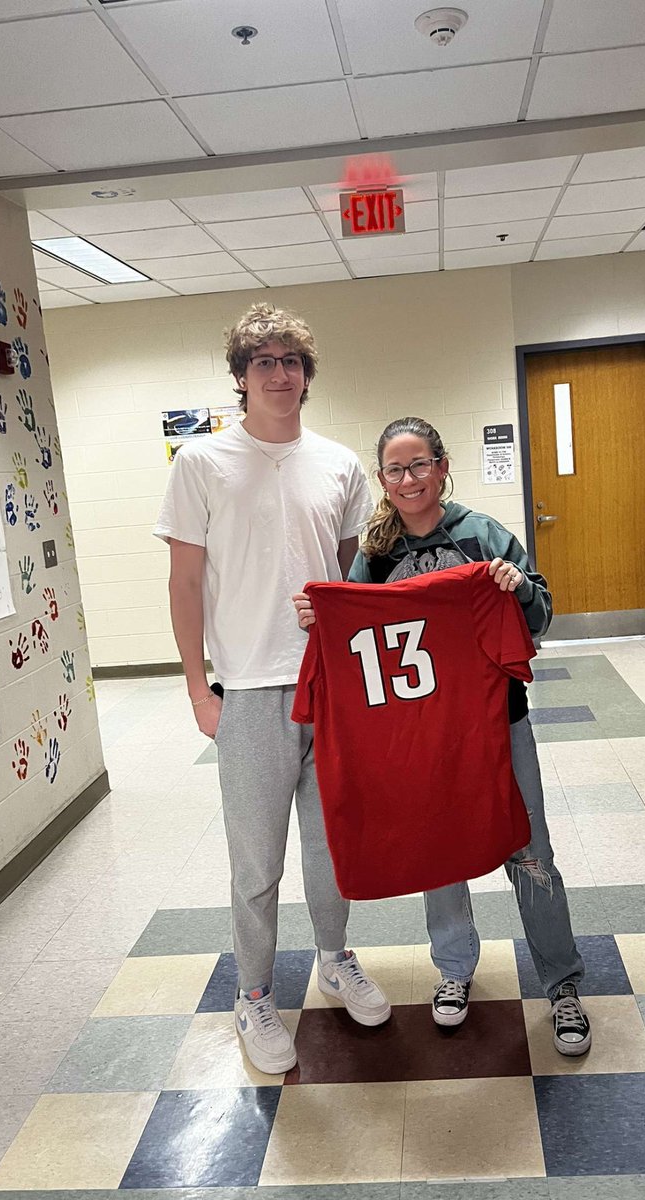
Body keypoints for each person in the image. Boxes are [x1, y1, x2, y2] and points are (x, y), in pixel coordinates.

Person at [294, 416, 591, 1056]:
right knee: (440, 848)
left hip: (495, 722)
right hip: (421, 738)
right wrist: (319, 616)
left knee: (530, 844)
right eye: (397, 469)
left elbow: (542, 613)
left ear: (442, 466)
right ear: (383, 479)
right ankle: (453, 970)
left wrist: (517, 590)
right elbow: (352, 641)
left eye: (420, 464)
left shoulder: (483, 536)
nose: (410, 479)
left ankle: (562, 984)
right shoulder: (372, 556)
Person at [155, 303, 391, 1075]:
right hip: (250, 691)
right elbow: (184, 582)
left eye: (291, 360)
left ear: (307, 375)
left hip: (330, 689)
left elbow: (360, 580)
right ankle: (254, 994)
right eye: (264, 361)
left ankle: (335, 957)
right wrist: (199, 690)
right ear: (241, 377)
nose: (280, 373)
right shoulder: (201, 463)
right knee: (256, 864)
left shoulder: (340, 463)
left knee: (333, 850)